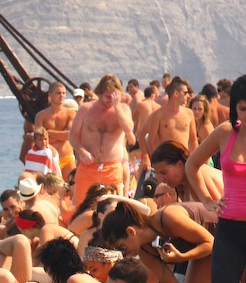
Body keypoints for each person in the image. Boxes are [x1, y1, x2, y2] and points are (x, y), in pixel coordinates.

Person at [185, 75, 246, 283]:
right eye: (243, 108)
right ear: (235, 108)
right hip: (229, 230)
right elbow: (192, 164)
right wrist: (207, 202)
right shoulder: (225, 133)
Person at [68, 74, 135, 206]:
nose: (111, 100)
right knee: (81, 208)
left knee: (113, 208)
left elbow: (128, 129)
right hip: (87, 168)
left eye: (115, 96)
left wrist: (117, 107)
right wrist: (81, 151)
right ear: (99, 93)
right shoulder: (86, 109)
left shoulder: (123, 109)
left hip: (112, 168)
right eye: (108, 96)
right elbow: (73, 135)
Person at [140, 77, 197, 170]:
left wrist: (193, 161)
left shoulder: (189, 113)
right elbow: (150, 141)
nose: (188, 96)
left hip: (184, 160)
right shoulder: (159, 114)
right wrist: (158, 160)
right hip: (167, 160)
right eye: (185, 93)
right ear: (176, 93)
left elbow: (193, 140)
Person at [33, 82, 77, 179]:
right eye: (58, 93)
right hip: (49, 159)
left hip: (67, 158)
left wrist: (49, 133)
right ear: (50, 95)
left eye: (64, 93)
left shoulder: (70, 114)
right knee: (52, 187)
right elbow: (39, 139)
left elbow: (69, 135)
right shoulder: (41, 116)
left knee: (71, 186)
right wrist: (62, 135)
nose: (62, 96)